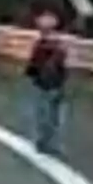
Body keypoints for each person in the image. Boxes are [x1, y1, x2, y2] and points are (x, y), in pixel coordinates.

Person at [24, 9, 69, 156]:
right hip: (57, 85)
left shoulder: (39, 46)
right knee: (55, 116)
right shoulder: (61, 46)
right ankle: (53, 143)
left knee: (42, 114)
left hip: (42, 85)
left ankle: (42, 141)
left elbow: (32, 67)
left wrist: (31, 75)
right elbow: (64, 68)